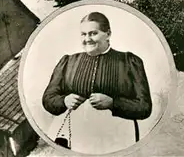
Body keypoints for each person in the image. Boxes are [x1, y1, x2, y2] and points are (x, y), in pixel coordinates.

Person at [42, 12, 153, 154]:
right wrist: (64, 100)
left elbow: (144, 107)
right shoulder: (68, 62)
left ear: (108, 34)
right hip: (79, 139)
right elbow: (48, 99)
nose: (87, 39)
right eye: (83, 34)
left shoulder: (129, 62)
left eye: (93, 33)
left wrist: (113, 103)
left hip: (120, 138)